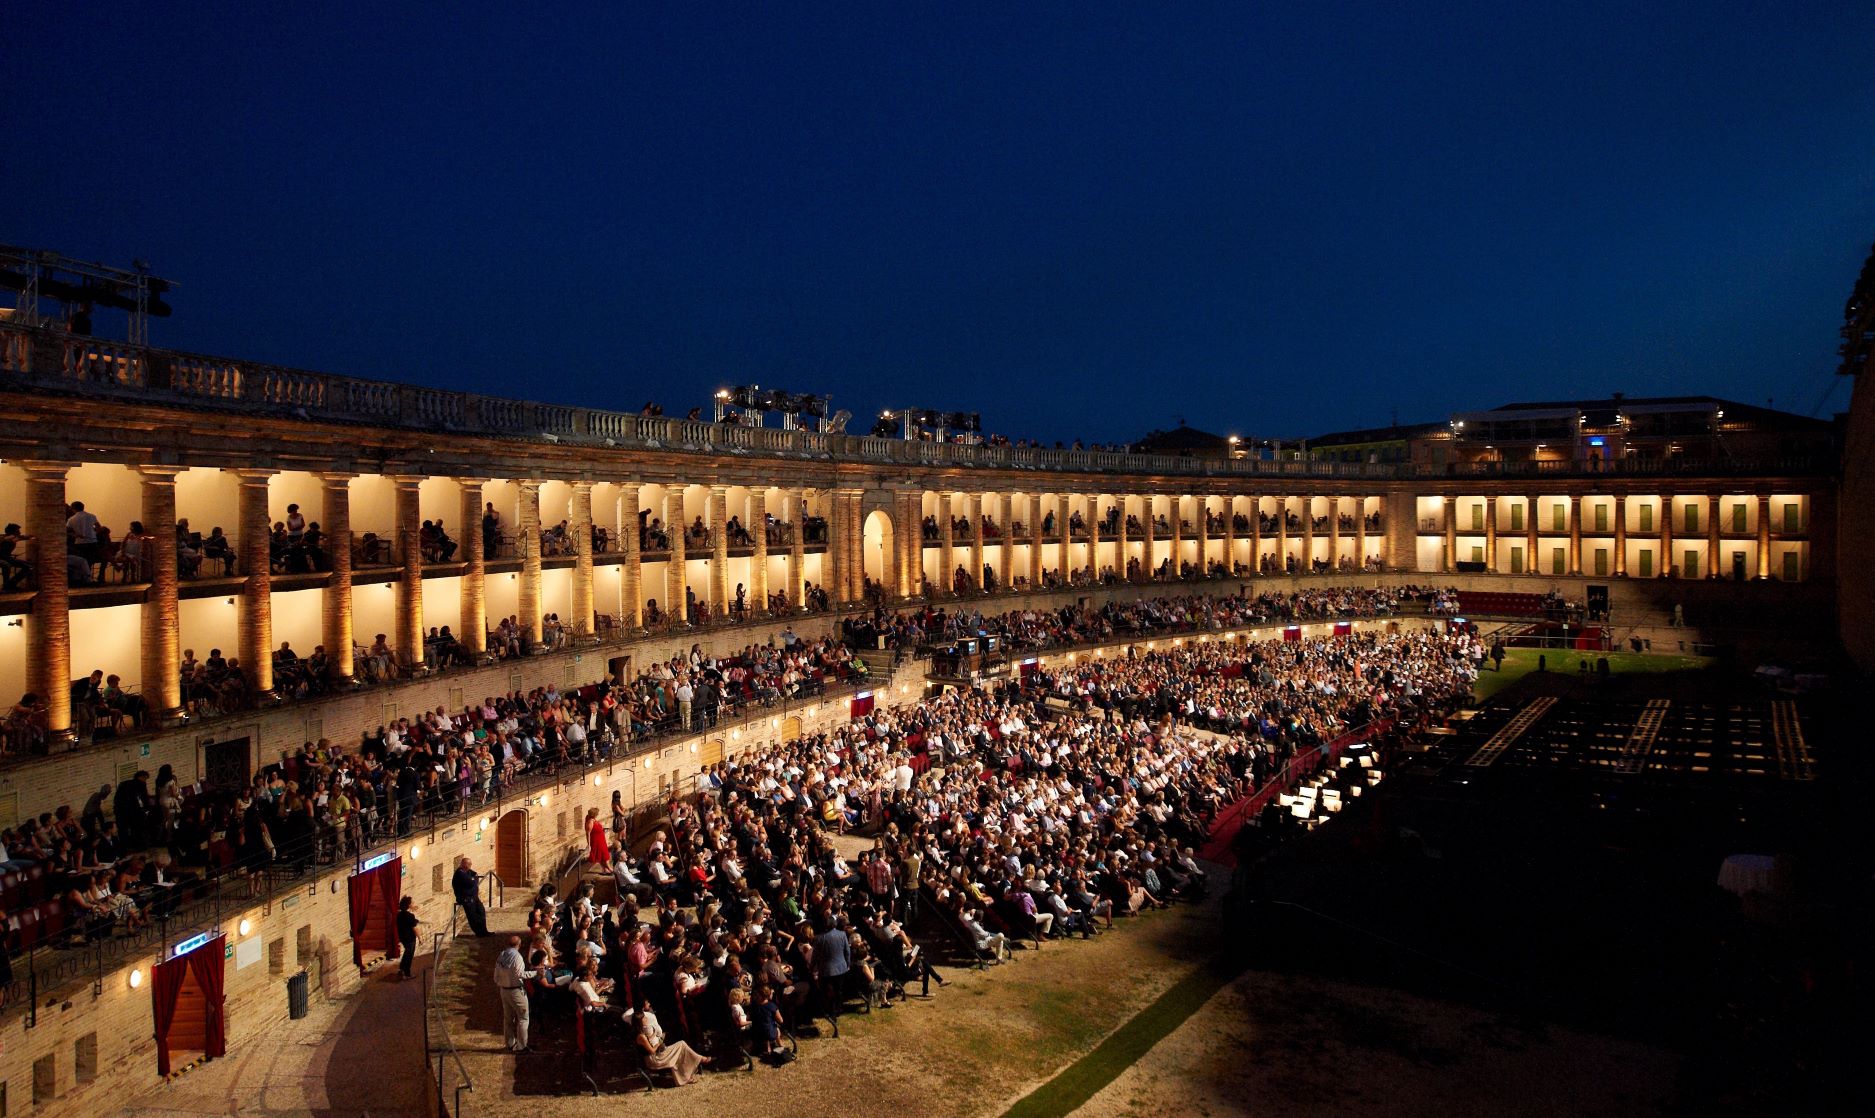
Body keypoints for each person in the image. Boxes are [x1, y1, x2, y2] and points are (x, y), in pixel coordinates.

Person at [635, 999, 707, 1084]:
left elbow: (649, 1039)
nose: (646, 1019)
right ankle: (700, 1059)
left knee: (680, 1049)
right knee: (681, 1044)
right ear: (640, 1021)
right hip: (654, 1059)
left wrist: (655, 1034)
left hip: (657, 1055)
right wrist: (660, 1040)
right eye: (644, 1018)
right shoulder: (641, 1036)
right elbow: (652, 1050)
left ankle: (687, 1076)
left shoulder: (641, 1033)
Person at [493, 935, 536, 1053]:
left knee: (508, 1018)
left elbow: (496, 973)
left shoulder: (502, 954)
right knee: (523, 1018)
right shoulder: (517, 957)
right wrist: (534, 973)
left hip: (504, 990)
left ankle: (510, 1043)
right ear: (519, 944)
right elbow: (520, 974)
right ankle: (522, 1046)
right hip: (516, 990)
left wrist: (499, 983)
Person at [453, 856, 489, 936]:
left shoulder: (468, 872)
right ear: (464, 864)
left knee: (481, 911)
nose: (470, 865)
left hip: (474, 897)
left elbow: (475, 876)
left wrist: (473, 878)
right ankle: (479, 933)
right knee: (473, 916)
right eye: (469, 864)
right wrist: (473, 879)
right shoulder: (460, 873)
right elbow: (471, 882)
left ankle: (484, 931)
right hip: (467, 899)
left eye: (470, 864)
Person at [397, 895, 421, 979]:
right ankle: (407, 974)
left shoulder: (399, 914)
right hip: (410, 938)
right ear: (409, 905)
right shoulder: (410, 916)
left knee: (406, 953)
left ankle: (401, 969)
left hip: (402, 937)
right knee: (409, 955)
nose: (413, 904)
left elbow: (408, 921)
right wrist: (420, 938)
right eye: (412, 903)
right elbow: (414, 929)